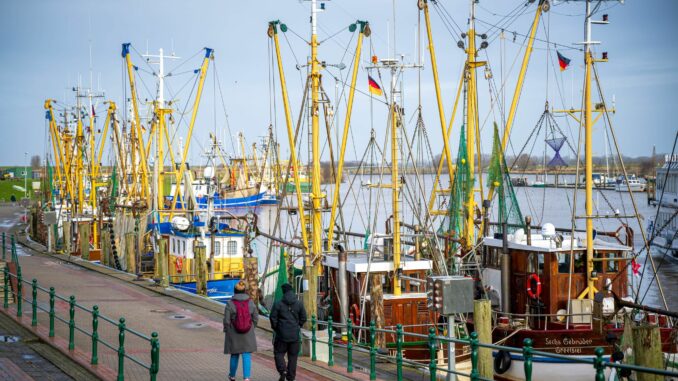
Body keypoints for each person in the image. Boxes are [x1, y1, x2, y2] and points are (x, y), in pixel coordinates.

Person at [270, 283, 307, 381]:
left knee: (279, 353)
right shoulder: (299, 303)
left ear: (283, 292)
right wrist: (298, 325)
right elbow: (304, 317)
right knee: (293, 357)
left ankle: (283, 371)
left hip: (281, 335)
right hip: (294, 335)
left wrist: (276, 328)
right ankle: (291, 377)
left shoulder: (278, 304)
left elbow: (272, 317)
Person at [223, 280, 258, 381]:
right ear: (245, 291)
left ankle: (232, 376)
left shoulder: (230, 303)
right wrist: (252, 327)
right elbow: (256, 317)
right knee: (246, 354)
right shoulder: (251, 302)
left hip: (234, 332)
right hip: (248, 332)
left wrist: (227, 330)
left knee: (234, 354)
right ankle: (246, 378)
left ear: (234, 291)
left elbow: (226, 320)